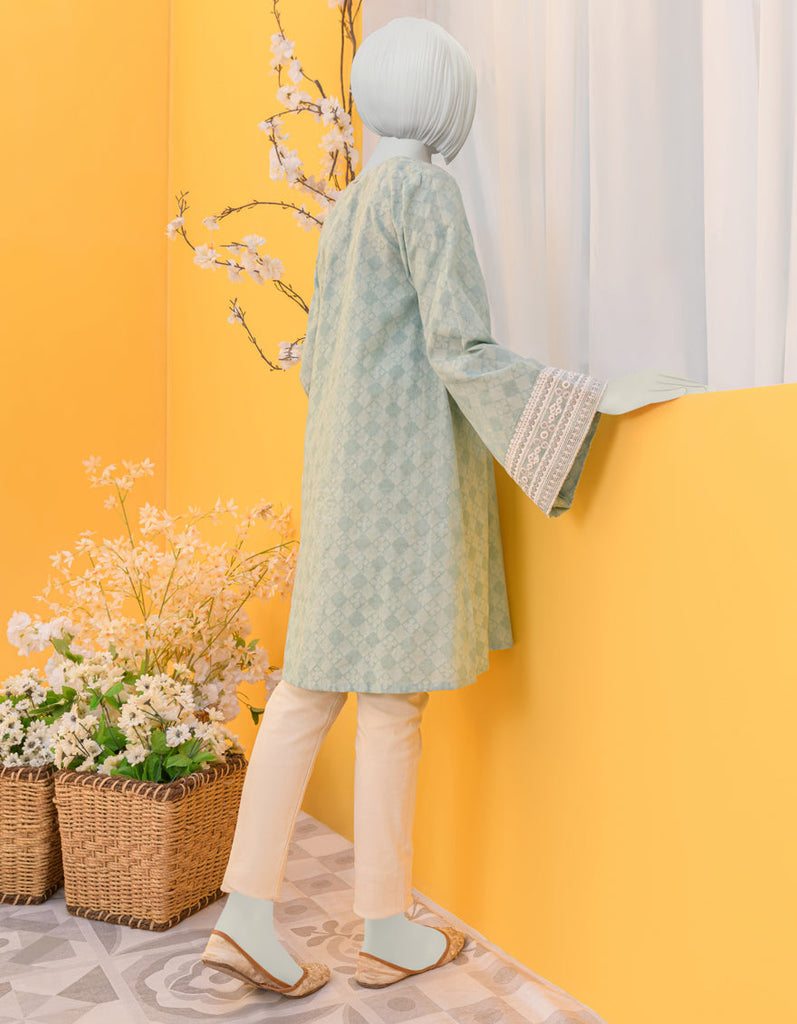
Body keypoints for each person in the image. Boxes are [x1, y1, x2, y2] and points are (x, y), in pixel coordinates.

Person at [201, 17, 707, 1000]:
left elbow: (324, 364)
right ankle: (385, 925)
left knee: (307, 692)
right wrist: (583, 399)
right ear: (443, 97)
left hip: (337, 470)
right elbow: (458, 348)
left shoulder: (347, 207)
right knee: (392, 702)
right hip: (401, 476)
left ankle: (245, 914)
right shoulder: (425, 191)